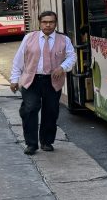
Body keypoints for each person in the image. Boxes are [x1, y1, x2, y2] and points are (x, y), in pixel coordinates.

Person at [9, 11, 75, 154]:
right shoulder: (29, 38)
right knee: (30, 109)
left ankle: (46, 141)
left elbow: (71, 57)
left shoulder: (64, 40)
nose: (48, 25)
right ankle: (31, 144)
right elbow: (18, 60)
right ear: (40, 23)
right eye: (45, 22)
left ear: (55, 24)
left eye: (51, 22)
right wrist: (14, 80)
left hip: (52, 81)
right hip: (31, 80)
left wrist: (62, 67)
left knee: (51, 111)